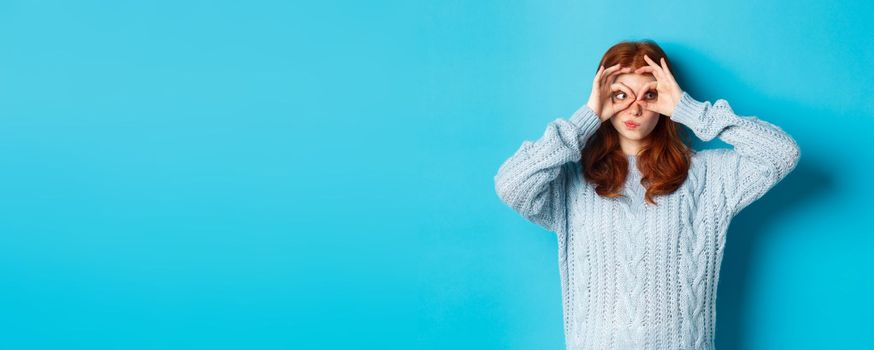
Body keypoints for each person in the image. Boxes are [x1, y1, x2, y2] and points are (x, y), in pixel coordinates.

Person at [493, 40, 801, 350]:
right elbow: (511, 184)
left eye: (649, 95)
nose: (635, 108)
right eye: (620, 95)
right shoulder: (572, 181)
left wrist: (688, 109)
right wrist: (586, 117)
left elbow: (782, 153)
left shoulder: (707, 176)